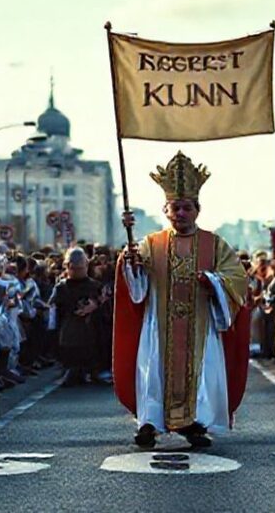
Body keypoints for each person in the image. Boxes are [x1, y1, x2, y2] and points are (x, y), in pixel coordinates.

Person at [114, 152, 250, 449]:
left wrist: (214, 282)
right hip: (159, 324)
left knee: (199, 373)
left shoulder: (213, 244)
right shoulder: (152, 243)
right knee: (154, 372)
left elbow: (237, 278)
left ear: (197, 210)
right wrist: (131, 261)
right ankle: (150, 423)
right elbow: (138, 283)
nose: (181, 213)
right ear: (166, 210)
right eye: (175, 208)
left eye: (186, 208)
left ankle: (193, 423)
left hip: (199, 324)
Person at [51, 248, 104, 386]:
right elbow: (56, 309)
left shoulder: (95, 286)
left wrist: (95, 304)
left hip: (91, 329)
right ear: (68, 267)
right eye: (75, 268)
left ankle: (94, 369)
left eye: (81, 268)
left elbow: (104, 302)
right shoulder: (61, 288)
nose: (78, 271)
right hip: (70, 328)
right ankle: (70, 368)